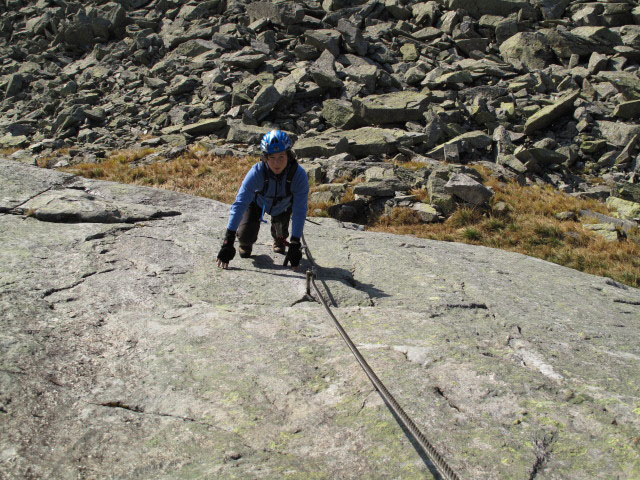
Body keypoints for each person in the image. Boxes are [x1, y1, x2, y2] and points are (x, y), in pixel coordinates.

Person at [216, 130, 309, 270]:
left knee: (281, 235)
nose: (277, 163)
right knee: (245, 240)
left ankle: (279, 237)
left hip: (283, 207)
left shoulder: (298, 175)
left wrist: (295, 242)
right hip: (257, 203)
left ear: (289, 156)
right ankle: (246, 242)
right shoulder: (257, 172)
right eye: (272, 158)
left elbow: (299, 210)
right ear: (265, 157)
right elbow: (240, 204)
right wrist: (228, 240)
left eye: (281, 157)